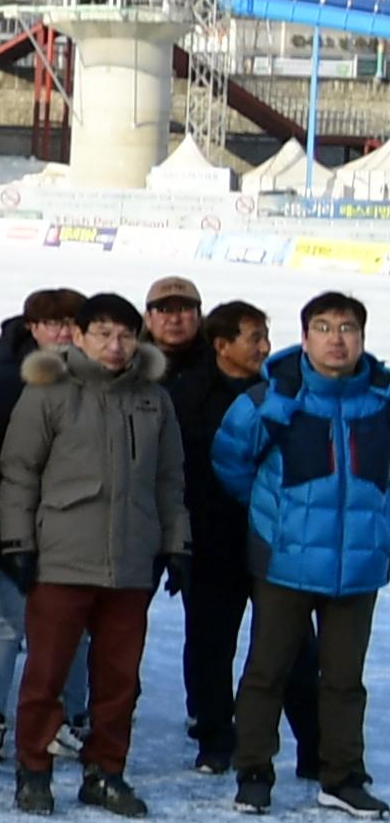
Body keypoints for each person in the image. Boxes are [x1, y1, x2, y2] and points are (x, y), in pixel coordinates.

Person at [0, 293, 189, 817]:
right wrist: (17, 544)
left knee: (119, 678)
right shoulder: (49, 391)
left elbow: (169, 479)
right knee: (47, 674)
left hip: (130, 560)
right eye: (102, 333)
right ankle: (34, 770)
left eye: (125, 334)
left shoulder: (153, 398)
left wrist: (176, 544)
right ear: (78, 337)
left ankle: (106, 772)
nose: (115, 344)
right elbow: (18, 472)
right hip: (61, 555)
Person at [210, 290, 390, 817]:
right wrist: (274, 519)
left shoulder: (382, 402)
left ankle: (341, 776)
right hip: (284, 560)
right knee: (268, 670)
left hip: (357, 566)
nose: (338, 340)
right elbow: (231, 461)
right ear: (306, 335)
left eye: (348, 329)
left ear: (362, 337)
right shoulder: (273, 398)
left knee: (343, 680)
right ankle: (254, 771)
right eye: (325, 328)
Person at [0, 288, 86, 764]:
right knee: (8, 625)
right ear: (32, 328)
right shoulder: (10, 377)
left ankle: (74, 719)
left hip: (79, 527)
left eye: (71, 322)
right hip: (20, 522)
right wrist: (14, 501)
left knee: (76, 627)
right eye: (52, 323)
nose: (63, 332)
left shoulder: (93, 378)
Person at [168, 300, 268, 773]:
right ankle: (214, 738)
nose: (263, 347)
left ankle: (313, 746)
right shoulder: (188, 393)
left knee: (289, 649)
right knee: (211, 645)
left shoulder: (279, 395)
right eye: (253, 338)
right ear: (221, 345)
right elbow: (174, 470)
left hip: (271, 542)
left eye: (265, 337)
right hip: (209, 540)